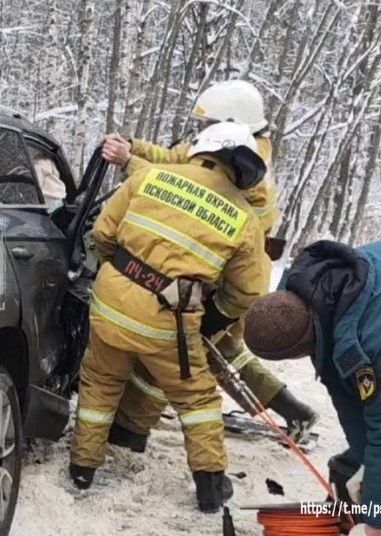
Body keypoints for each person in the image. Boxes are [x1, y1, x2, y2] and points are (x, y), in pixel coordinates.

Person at [100, 80, 318, 453]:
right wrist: (134, 147)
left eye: (206, 126)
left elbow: (189, 189)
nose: (201, 133)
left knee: (174, 353)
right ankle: (292, 409)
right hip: (230, 271)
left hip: (231, 278)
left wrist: (130, 164)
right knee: (223, 352)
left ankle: (131, 431)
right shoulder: (232, 144)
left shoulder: (250, 166)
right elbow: (180, 160)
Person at [69, 121, 267, 513]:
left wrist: (126, 280)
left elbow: (104, 234)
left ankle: (82, 469)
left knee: (100, 384)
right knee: (197, 398)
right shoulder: (245, 218)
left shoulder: (149, 176)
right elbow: (246, 291)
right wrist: (210, 318)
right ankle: (210, 485)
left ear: (201, 148)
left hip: (110, 305)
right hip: (169, 324)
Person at [242, 237, 381, 536]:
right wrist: (365, 462)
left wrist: (377, 525)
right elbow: (350, 397)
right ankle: (349, 513)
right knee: (366, 460)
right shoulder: (309, 297)